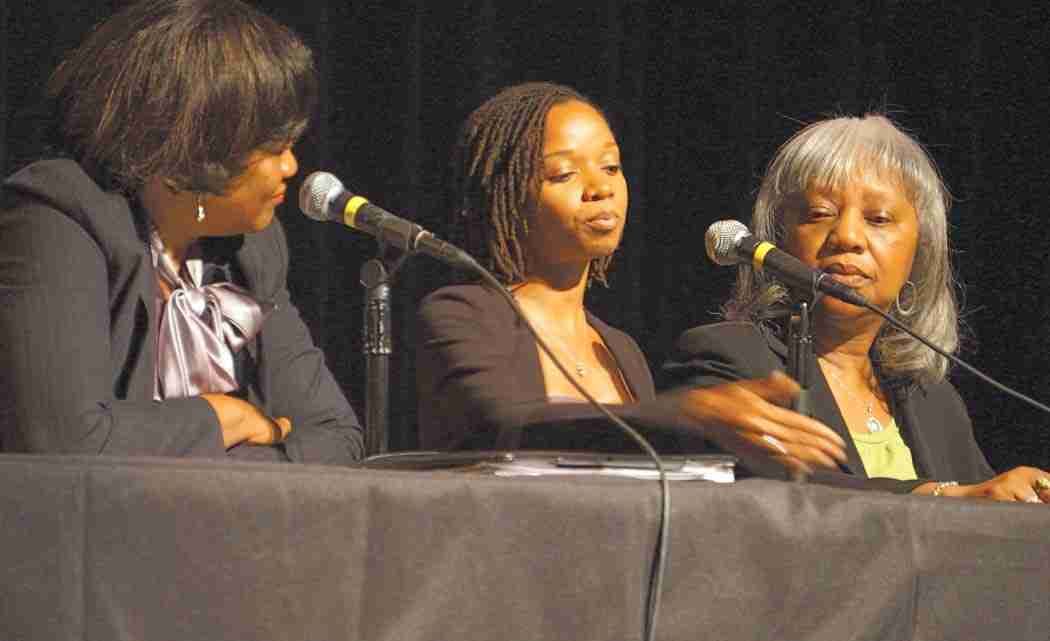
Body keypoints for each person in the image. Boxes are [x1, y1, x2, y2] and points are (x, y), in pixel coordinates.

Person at [415, 81, 847, 477]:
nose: (600, 188)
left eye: (610, 167)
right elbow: (500, 428)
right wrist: (683, 415)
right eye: (564, 173)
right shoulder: (463, 313)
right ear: (503, 196)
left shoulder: (619, 349)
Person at [0, 0, 362, 464]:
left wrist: (222, 469)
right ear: (196, 146)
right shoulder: (57, 219)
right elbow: (64, 444)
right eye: (273, 147)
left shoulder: (253, 248)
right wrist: (225, 419)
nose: (291, 166)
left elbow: (337, 438)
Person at [664, 114, 1050, 501]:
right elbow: (780, 494)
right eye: (819, 214)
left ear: (918, 254)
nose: (847, 236)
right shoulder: (728, 358)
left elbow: (986, 507)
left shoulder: (934, 401)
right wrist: (946, 496)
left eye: (878, 219)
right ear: (779, 237)